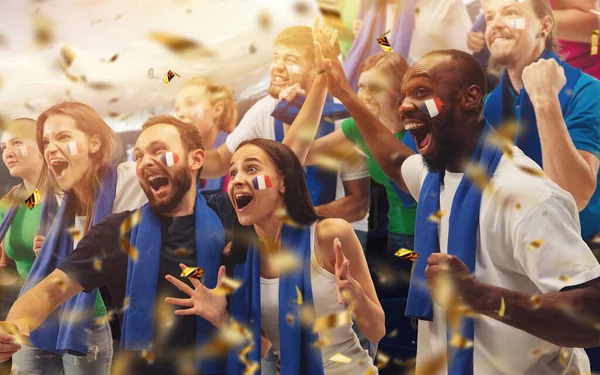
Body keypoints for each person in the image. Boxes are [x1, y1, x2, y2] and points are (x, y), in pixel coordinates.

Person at [313, 29, 600, 373]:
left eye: (421, 92)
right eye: (404, 95)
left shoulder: (526, 194)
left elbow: (591, 313)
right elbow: (393, 161)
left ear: (470, 97)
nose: (404, 107)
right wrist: (344, 94)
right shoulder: (435, 175)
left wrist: (478, 296)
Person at [0, 115, 234, 374]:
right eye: (141, 156)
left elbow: (265, 338)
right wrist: (14, 325)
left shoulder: (231, 222)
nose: (146, 162)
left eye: (159, 151)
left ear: (196, 159)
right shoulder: (115, 233)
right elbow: (47, 292)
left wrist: (222, 317)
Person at [168, 138, 384, 374]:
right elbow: (261, 348)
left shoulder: (330, 234)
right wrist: (222, 317)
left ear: (283, 182)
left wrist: (357, 296)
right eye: (233, 172)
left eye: (251, 169)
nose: (237, 179)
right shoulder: (237, 256)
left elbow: (376, 331)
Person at [199, 23, 371, 252]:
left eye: (290, 60)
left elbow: (357, 204)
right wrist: (180, 157)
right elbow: (220, 161)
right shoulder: (265, 109)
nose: (277, 67)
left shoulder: (343, 115)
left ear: (317, 68)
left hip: (339, 231)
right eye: (276, 57)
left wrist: (293, 219)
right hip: (279, 231)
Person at [8, 102, 147, 375]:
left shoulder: (132, 179)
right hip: (92, 311)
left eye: (63, 137)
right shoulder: (62, 198)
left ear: (94, 143)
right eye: (46, 141)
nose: (50, 148)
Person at [479, 0, 600, 245]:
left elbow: (574, 196)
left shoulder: (587, 91)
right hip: (509, 251)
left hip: (578, 255)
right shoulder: (489, 103)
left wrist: (545, 102)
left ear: (544, 26)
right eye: (490, 17)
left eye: (511, 13)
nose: (496, 24)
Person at [0, 118, 47, 374]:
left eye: (17, 142)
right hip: (27, 319)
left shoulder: (72, 198)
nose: (7, 152)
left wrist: (58, 252)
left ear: (42, 145)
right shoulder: (10, 205)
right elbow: (4, 263)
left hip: (79, 319)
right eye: (3, 147)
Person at [345, 0, 472, 90]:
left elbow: (468, 48)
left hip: (448, 81)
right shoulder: (383, 10)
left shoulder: (443, 4)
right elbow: (388, 48)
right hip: (409, 80)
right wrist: (368, 33)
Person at [468, 0, 600, 78]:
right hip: (531, 79)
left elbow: (593, 25)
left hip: (583, 77)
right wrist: (478, 35)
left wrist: (522, 21)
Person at [175, 76, 238, 194]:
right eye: (177, 109)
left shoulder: (241, 150)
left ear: (217, 110)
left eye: (191, 103)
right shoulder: (185, 158)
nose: (181, 114)